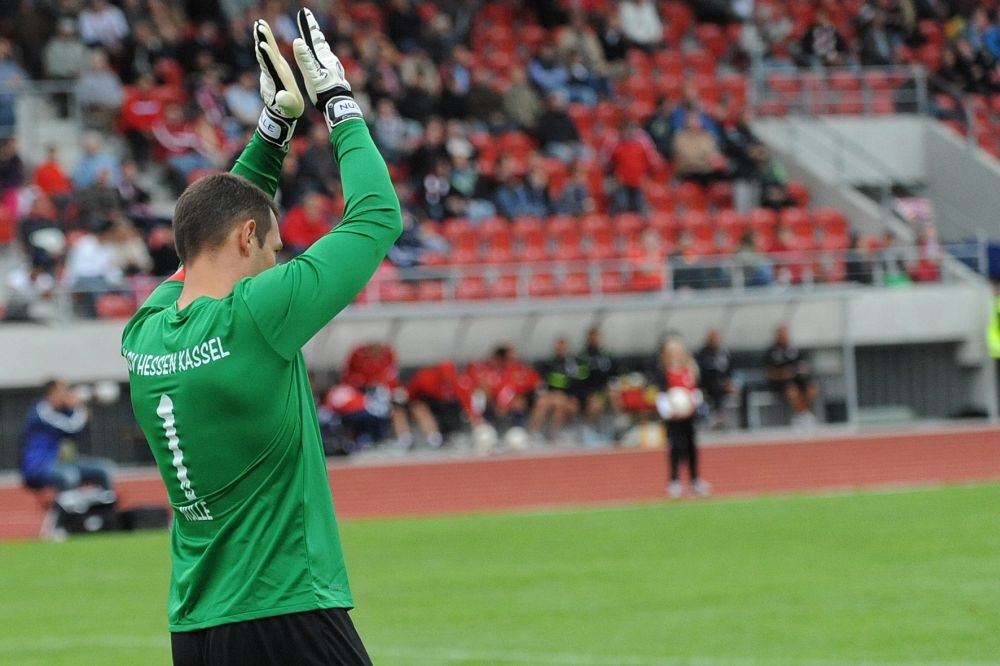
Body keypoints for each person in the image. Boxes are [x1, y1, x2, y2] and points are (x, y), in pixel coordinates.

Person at [121, 12, 400, 665]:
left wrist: (276, 126)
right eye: (273, 248)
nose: (277, 261)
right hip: (285, 609)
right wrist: (338, 101)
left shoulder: (146, 329)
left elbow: (216, 222)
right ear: (250, 239)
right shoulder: (254, 316)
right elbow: (378, 215)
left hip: (195, 625)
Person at [20, 379, 115, 496]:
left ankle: (103, 505)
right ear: (52, 394)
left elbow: (77, 434)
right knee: (69, 475)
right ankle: (64, 508)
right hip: (38, 467)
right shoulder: (41, 411)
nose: (68, 395)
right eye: (64, 391)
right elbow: (71, 427)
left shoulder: (63, 411)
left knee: (104, 469)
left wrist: (83, 406)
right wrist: (80, 409)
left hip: (62, 463)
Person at [653, 337, 709, 499]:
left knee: (691, 446)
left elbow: (695, 391)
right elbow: (662, 396)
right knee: (676, 447)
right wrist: (669, 412)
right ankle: (675, 481)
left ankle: (694, 479)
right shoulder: (664, 373)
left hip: (688, 416)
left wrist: (694, 405)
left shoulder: (689, 370)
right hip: (673, 418)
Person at [763, 325, 820, 428]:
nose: (785, 337)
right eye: (782, 335)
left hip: (799, 380)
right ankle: (802, 416)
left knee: (811, 389)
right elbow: (768, 372)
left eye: (786, 335)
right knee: (792, 391)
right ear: (777, 336)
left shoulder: (794, 350)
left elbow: (804, 365)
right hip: (780, 383)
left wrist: (800, 370)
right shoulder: (771, 352)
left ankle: (802, 415)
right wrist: (782, 374)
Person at [695, 329, 736, 430]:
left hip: (723, 383)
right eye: (713, 338)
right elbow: (700, 372)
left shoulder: (724, 352)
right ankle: (716, 418)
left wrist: (729, 382)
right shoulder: (702, 354)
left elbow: (729, 370)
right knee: (715, 388)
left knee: (739, 387)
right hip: (706, 384)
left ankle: (743, 421)